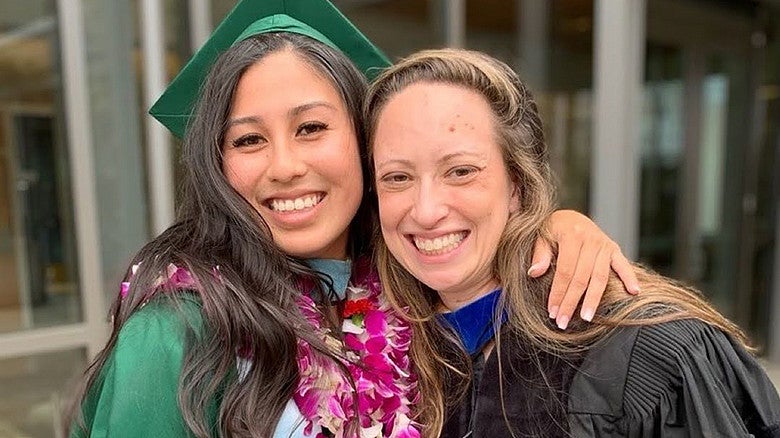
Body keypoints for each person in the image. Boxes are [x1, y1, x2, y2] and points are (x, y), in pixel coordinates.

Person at [65, 1, 638, 437]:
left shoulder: (412, 288)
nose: (285, 167)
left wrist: (557, 225)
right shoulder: (179, 332)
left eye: (311, 128)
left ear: (365, 145)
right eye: (248, 139)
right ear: (218, 165)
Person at [365, 48, 780, 437]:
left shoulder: (650, 352)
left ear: (517, 184)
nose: (426, 210)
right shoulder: (380, 351)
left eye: (460, 171)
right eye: (397, 177)